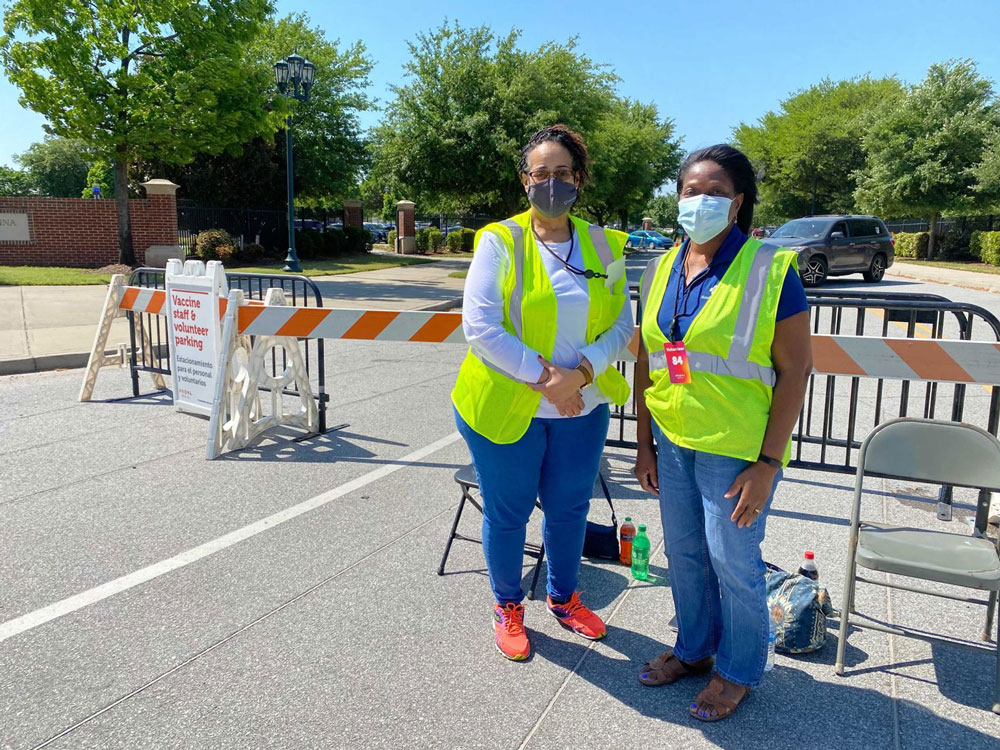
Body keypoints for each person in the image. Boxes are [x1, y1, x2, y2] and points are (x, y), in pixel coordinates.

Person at [632, 145, 812, 720]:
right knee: (684, 554)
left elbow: (795, 370)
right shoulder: (663, 265)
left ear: (736, 202)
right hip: (673, 437)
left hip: (736, 449)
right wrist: (642, 442)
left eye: (713, 192)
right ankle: (694, 650)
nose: (699, 201)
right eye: (689, 190)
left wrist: (769, 462)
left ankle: (737, 670)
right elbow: (648, 359)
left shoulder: (769, 268)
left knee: (734, 560)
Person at [452, 124, 634, 661]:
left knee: (569, 510)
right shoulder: (499, 240)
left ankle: (563, 598)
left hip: (581, 405)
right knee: (507, 514)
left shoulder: (605, 245)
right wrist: (547, 380)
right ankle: (508, 605)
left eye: (562, 173)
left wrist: (578, 374)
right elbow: (482, 327)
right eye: (541, 173)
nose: (551, 183)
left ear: (579, 179)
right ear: (525, 181)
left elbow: (622, 327)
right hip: (509, 404)